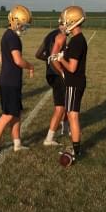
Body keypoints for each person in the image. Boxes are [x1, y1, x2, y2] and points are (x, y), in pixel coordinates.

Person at [0, 5, 35, 159]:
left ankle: (17, 143)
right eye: (22, 24)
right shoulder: (13, 38)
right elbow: (18, 60)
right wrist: (30, 66)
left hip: (9, 80)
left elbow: (1, 58)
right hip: (10, 82)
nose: (23, 27)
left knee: (16, 114)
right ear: (15, 21)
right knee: (7, 115)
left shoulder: (7, 35)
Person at [53, 6, 87, 163]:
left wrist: (60, 59)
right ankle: (76, 147)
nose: (64, 24)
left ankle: (76, 149)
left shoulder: (76, 41)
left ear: (73, 21)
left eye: (66, 21)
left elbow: (72, 67)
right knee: (71, 114)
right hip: (75, 82)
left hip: (74, 82)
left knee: (72, 115)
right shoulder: (77, 39)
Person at [35, 15, 68, 146]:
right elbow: (54, 57)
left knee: (64, 102)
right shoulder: (61, 36)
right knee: (60, 106)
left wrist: (48, 60)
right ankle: (49, 137)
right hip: (57, 74)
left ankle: (65, 127)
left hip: (50, 73)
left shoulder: (50, 34)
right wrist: (62, 70)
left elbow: (38, 54)